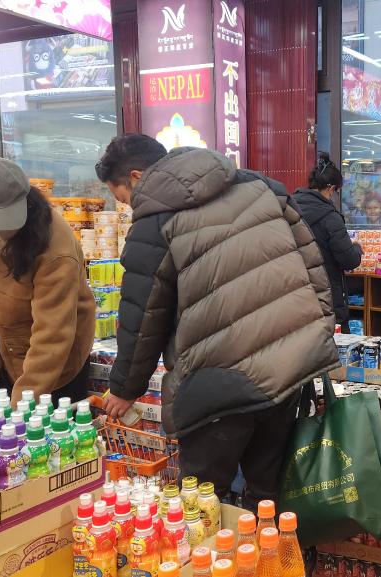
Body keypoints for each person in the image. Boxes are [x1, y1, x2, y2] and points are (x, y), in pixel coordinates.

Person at [95, 134, 339, 503]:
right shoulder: (262, 187)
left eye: (124, 198)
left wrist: (125, 388)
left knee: (201, 501)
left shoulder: (155, 221)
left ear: (136, 177)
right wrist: (316, 335)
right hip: (288, 369)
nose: (130, 207)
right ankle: (270, 540)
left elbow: (142, 318)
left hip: (217, 385)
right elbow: (312, 265)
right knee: (268, 492)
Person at [0, 157, 95, 404]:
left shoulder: (55, 248)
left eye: (4, 218)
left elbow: (53, 333)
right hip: (4, 357)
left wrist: (23, 403)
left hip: (53, 366)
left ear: (25, 200)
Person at [294, 153, 363, 331]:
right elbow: (349, 260)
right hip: (327, 291)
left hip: (295, 292)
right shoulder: (330, 218)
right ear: (331, 188)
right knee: (335, 338)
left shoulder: (290, 209)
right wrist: (356, 248)